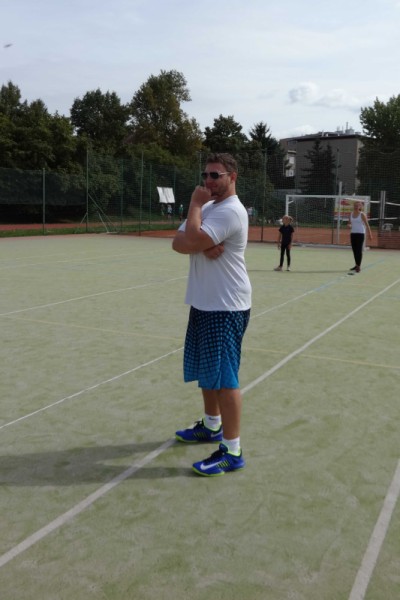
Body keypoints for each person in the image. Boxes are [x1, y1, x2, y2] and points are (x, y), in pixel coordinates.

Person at [172, 152, 252, 477]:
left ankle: (232, 451)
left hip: (226, 305)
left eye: (215, 175)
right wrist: (203, 244)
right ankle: (211, 425)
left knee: (225, 380)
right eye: (205, 175)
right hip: (205, 303)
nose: (208, 181)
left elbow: (189, 237)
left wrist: (194, 206)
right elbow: (178, 243)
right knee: (208, 371)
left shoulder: (230, 210)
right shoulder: (209, 209)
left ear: (232, 177)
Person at [348, 201, 372, 272]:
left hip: (360, 234)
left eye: (357, 206)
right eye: (355, 206)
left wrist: (370, 234)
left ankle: (358, 266)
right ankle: (356, 265)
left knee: (359, 250)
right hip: (353, 234)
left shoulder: (362, 214)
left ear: (360, 207)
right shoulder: (351, 214)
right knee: (354, 250)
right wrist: (349, 225)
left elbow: (367, 225)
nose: (356, 207)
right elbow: (349, 223)